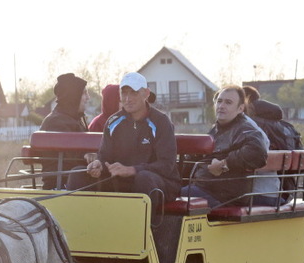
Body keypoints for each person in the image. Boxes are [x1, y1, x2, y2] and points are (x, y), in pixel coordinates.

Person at [69, 72, 180, 203]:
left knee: (143, 178)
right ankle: (79, 223)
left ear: (146, 94)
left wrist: (133, 170)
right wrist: (98, 165)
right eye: (124, 93)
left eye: (133, 93)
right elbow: (105, 156)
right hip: (119, 180)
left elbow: (166, 165)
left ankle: (145, 223)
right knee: (78, 173)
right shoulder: (113, 121)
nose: (128, 98)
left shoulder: (161, 122)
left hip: (159, 183)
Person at [180, 85, 271, 206]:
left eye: (228, 102)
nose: (221, 106)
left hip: (226, 196)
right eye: (219, 101)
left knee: (172, 196)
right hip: (206, 189)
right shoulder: (217, 129)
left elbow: (257, 152)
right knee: (163, 189)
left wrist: (225, 164)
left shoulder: (245, 129)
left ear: (240, 108)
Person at [38, 73, 89, 189]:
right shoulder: (55, 122)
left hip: (78, 178)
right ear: (73, 96)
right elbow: (70, 153)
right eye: (84, 93)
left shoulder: (73, 119)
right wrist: (88, 155)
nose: (88, 98)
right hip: (61, 185)